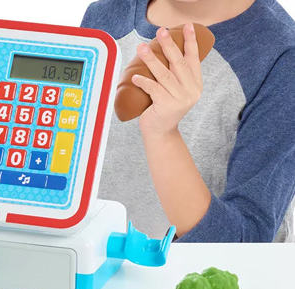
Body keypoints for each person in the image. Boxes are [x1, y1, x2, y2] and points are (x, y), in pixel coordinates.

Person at [82, 0, 295, 242]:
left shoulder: (283, 59)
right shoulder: (103, 18)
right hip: (94, 269)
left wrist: (163, 134)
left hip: (192, 276)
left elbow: (246, 244)